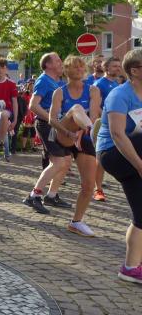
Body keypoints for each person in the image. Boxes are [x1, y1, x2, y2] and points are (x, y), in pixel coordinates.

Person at [95, 48, 142, 284]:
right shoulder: (120, 95)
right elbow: (117, 134)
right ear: (134, 71)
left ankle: (131, 268)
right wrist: (140, 165)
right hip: (113, 153)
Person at [48, 56, 101, 237]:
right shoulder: (59, 92)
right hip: (63, 133)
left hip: (82, 136)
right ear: (66, 70)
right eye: (74, 66)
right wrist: (70, 133)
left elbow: (94, 115)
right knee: (76, 108)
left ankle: (76, 222)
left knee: (89, 185)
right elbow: (52, 119)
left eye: (81, 66)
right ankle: (91, 132)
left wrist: (81, 132)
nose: (79, 69)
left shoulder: (93, 90)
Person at [24, 52, 71, 214]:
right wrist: (52, 120)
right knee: (58, 162)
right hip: (46, 125)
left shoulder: (56, 81)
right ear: (48, 65)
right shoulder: (44, 80)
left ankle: (51, 195)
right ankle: (33, 196)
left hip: (56, 126)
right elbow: (33, 105)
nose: (61, 62)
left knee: (66, 161)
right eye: (57, 60)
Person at [93, 57, 122, 201]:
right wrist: (108, 117)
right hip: (103, 124)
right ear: (106, 68)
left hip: (117, 124)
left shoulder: (116, 83)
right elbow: (95, 106)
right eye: (115, 66)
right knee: (100, 157)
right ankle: (97, 189)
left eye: (119, 66)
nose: (118, 68)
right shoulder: (99, 84)